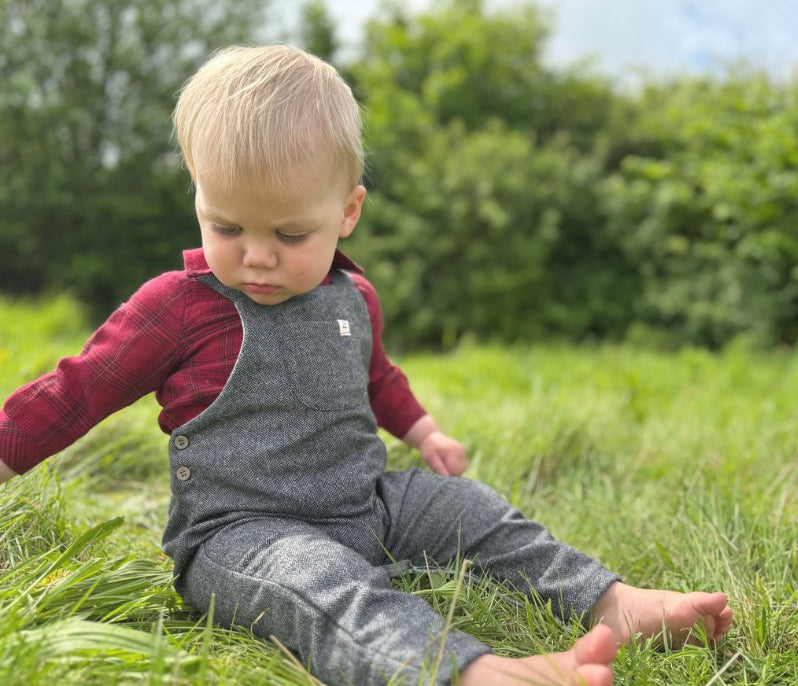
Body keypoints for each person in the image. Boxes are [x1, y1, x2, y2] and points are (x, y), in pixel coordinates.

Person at [0, 45, 732, 686]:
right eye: (226, 226)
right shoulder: (180, 307)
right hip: (242, 535)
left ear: (347, 211)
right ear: (197, 194)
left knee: (477, 513)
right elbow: (77, 389)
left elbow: (376, 377)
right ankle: (470, 671)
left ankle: (613, 602)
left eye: (289, 233)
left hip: (365, 502)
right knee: (326, 587)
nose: (255, 255)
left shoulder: (353, 296)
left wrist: (423, 432)